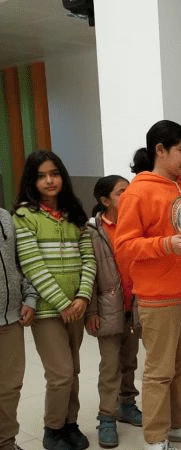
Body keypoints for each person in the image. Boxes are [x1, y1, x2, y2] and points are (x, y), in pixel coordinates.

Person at [115, 120, 181, 450]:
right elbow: (124, 246)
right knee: (160, 371)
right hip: (158, 295)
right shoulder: (139, 191)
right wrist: (164, 245)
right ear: (159, 150)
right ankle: (155, 437)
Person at [13, 150, 97, 450]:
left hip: (76, 305)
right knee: (60, 372)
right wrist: (63, 303)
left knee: (73, 369)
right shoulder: (24, 216)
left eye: (55, 173)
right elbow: (32, 265)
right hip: (49, 310)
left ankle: (69, 423)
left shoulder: (75, 214)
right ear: (31, 181)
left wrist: (83, 297)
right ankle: (52, 429)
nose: (49, 180)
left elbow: (89, 259)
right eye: (41, 176)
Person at [85, 175, 142, 448]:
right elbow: (90, 274)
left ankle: (126, 404)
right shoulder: (92, 231)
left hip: (136, 305)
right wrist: (91, 311)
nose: (128, 197)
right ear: (104, 200)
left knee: (130, 361)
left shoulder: (136, 224)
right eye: (121, 193)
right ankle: (106, 417)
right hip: (107, 308)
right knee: (110, 366)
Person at [0, 207, 38, 450]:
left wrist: (30, 297)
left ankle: (6, 441)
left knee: (10, 387)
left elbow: (20, 262)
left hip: (10, 319)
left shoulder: (5, 217)